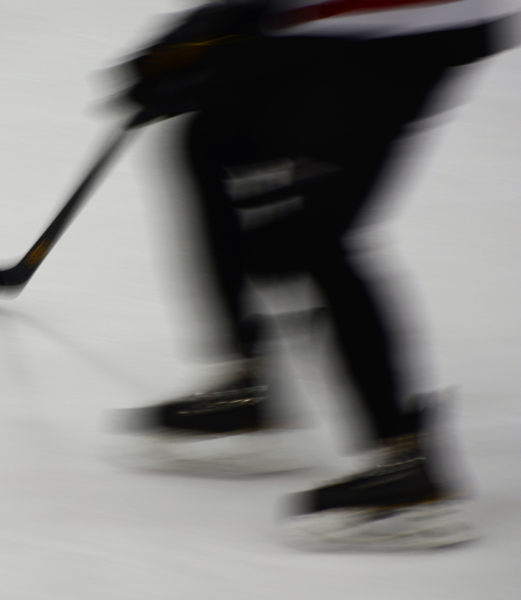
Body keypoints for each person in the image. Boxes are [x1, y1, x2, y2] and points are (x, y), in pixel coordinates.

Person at [114, 0, 512, 549]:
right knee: (208, 140)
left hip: (409, 27)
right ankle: (243, 391)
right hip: (325, 21)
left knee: (314, 232)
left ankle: (406, 470)